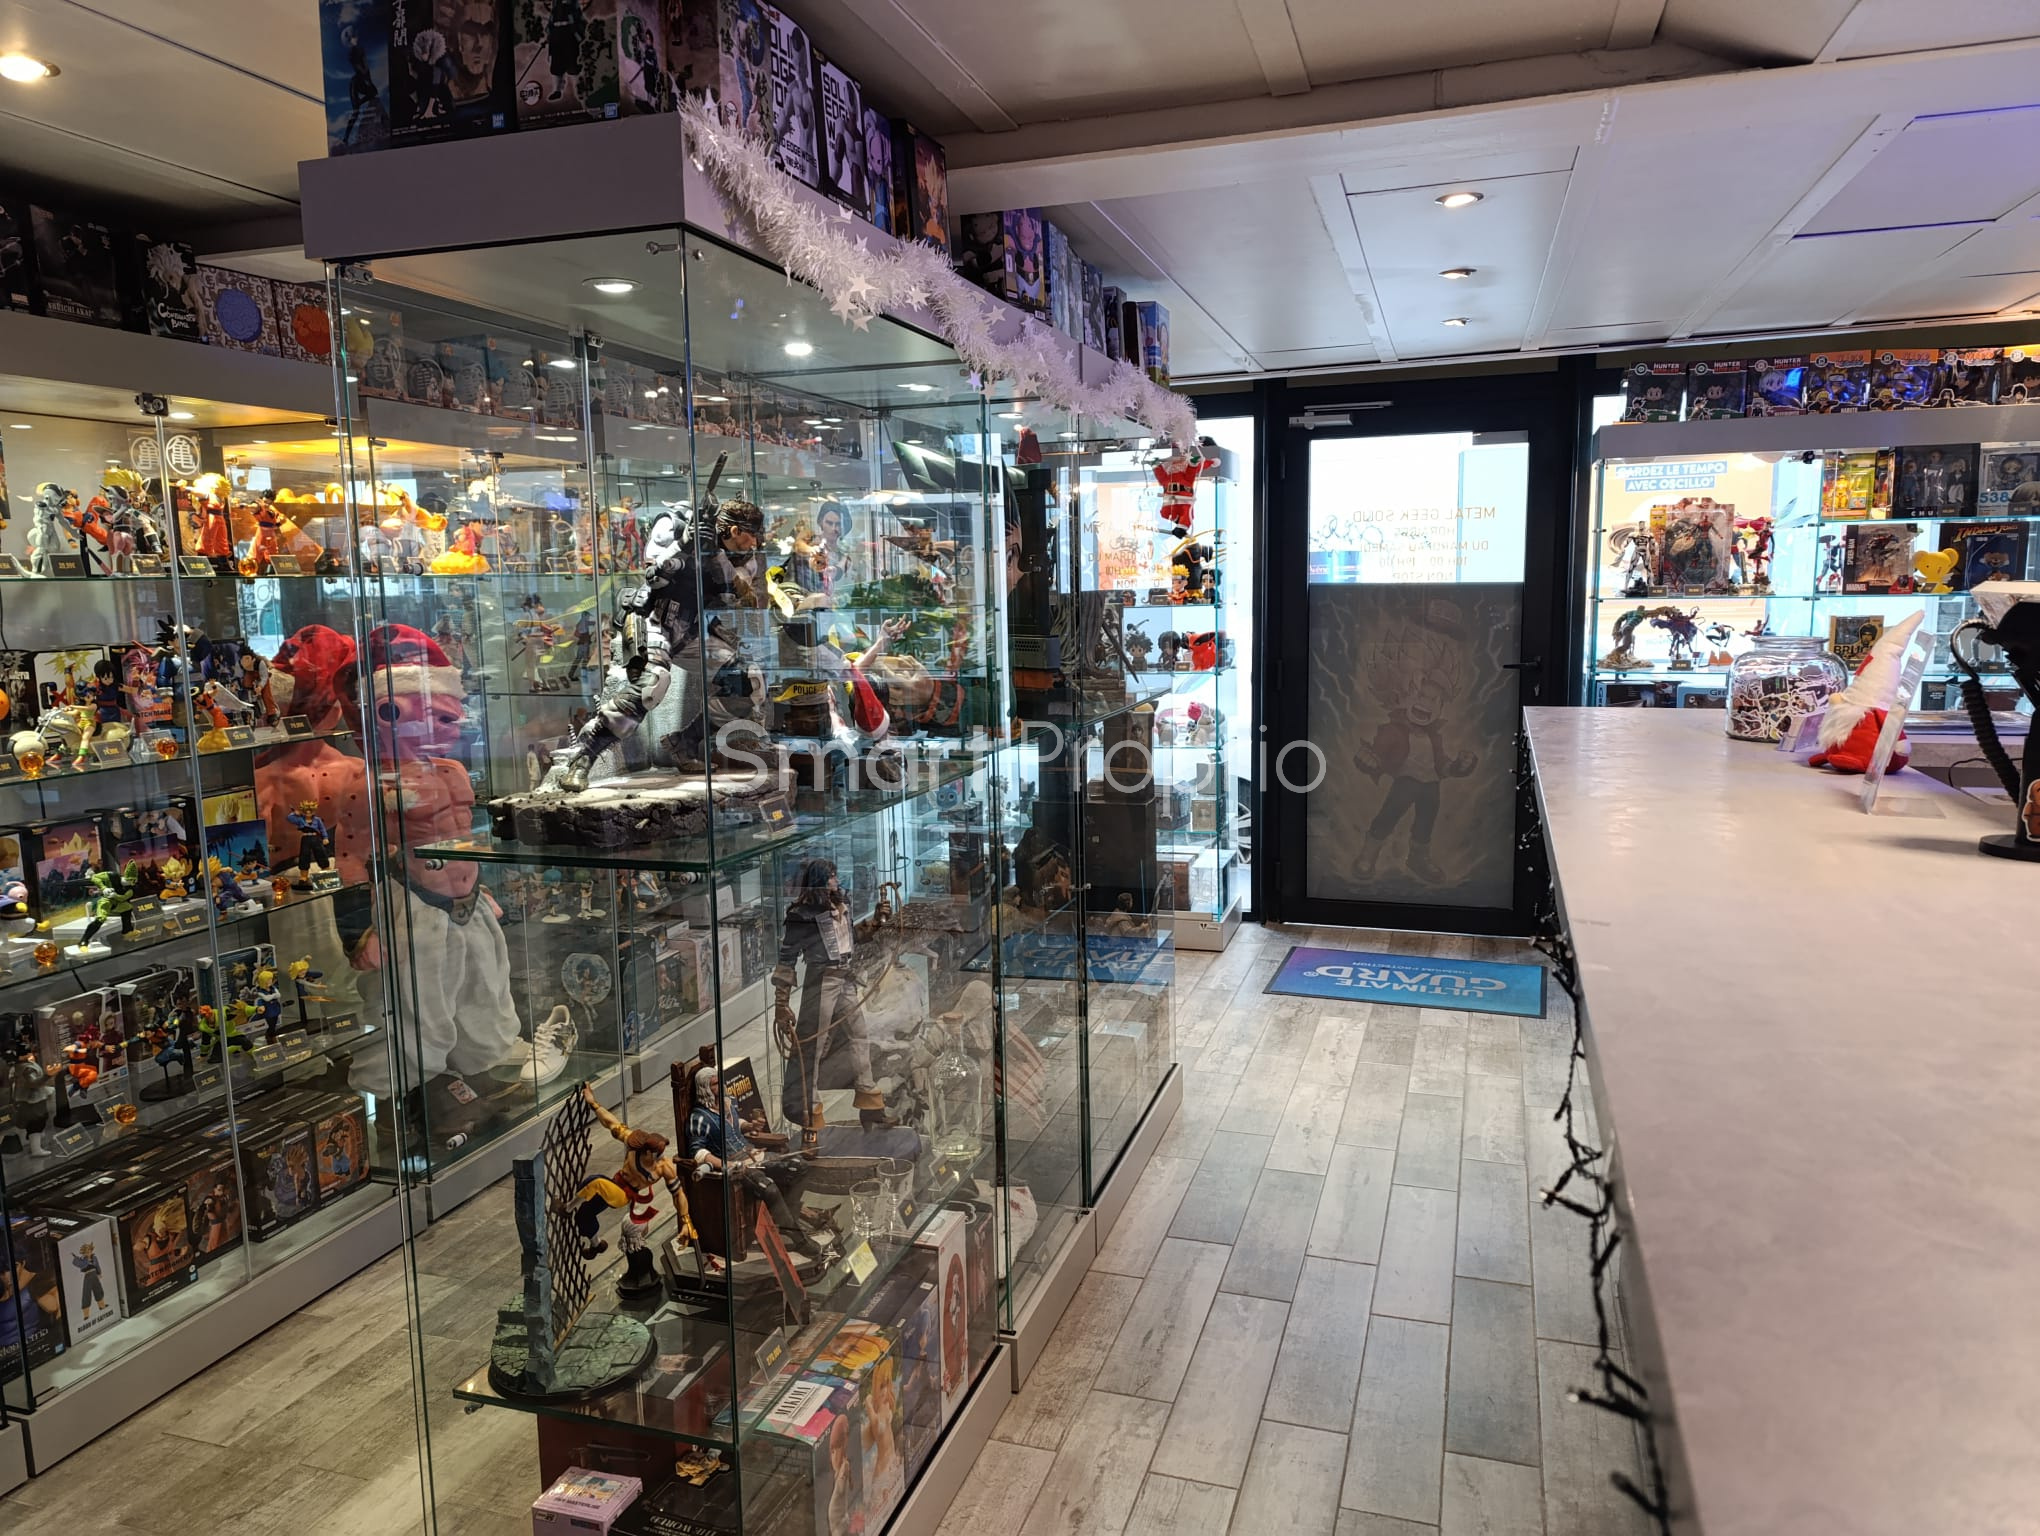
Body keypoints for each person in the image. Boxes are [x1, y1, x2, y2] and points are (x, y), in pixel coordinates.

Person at [774, 857, 891, 1139]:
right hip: (822, 982)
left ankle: (869, 1101)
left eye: (835, 875)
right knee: (812, 1048)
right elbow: (786, 960)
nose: (836, 880)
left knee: (859, 1035)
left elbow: (851, 938)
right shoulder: (801, 915)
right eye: (831, 876)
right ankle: (809, 1116)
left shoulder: (842, 904)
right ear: (819, 880)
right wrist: (781, 1003)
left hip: (846, 978)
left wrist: (876, 921)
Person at [684, 1062, 826, 1259]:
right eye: (715, 1084)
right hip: (735, 1166)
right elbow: (698, 1152)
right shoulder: (699, 1117)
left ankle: (788, 1222)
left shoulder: (728, 1102)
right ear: (704, 1088)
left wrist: (750, 1126)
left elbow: (737, 1124)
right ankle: (799, 1239)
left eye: (719, 1081)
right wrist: (726, 1166)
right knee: (769, 1188)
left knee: (799, 1166)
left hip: (751, 1153)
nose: (720, 1086)